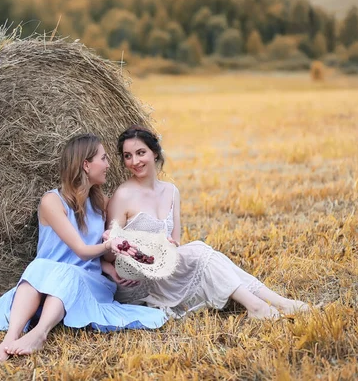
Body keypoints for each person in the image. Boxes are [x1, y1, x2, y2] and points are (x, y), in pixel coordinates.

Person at [0, 134, 167, 362]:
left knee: (65, 273)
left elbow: (126, 228)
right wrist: (109, 244)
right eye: (103, 159)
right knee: (40, 267)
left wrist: (110, 266)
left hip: (90, 283)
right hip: (44, 282)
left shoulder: (102, 204)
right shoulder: (52, 202)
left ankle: (39, 333)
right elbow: (80, 251)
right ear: (86, 165)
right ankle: (10, 338)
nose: (108, 165)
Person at [101, 125, 309, 320]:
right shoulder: (123, 195)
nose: (134, 161)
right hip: (136, 281)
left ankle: (277, 303)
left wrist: (167, 247)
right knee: (201, 251)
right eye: (128, 156)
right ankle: (263, 306)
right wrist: (136, 244)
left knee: (208, 256)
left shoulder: (172, 192)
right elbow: (109, 251)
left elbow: (176, 243)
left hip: (166, 269)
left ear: (154, 153)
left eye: (140, 153)